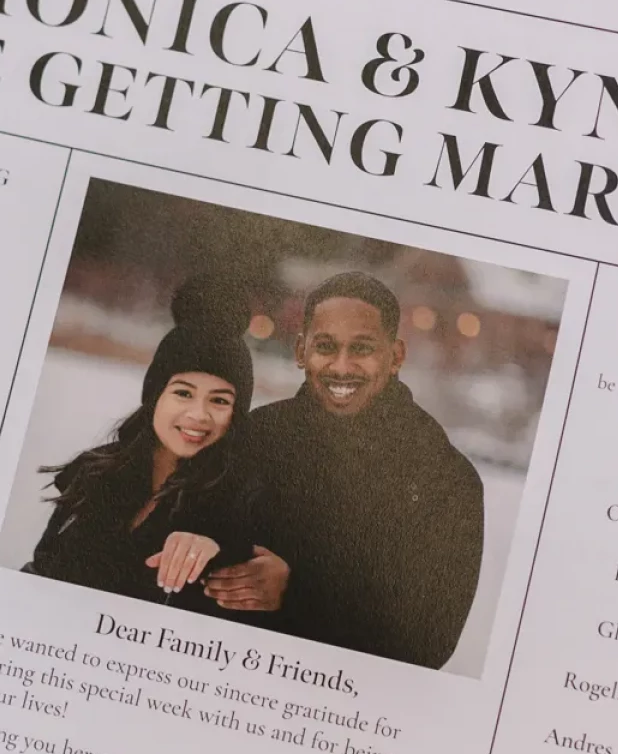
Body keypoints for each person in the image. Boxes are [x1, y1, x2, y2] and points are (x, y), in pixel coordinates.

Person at [205, 271, 485, 669]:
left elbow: (430, 641)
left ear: (395, 356)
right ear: (301, 351)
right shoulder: (253, 437)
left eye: (362, 348)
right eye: (325, 346)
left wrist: (296, 592)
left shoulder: (446, 479)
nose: (341, 366)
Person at [24, 283, 255, 609]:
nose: (198, 415)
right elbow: (40, 569)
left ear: (236, 414)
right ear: (155, 395)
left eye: (219, 400)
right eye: (183, 393)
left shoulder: (240, 499)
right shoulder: (95, 472)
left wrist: (219, 551)